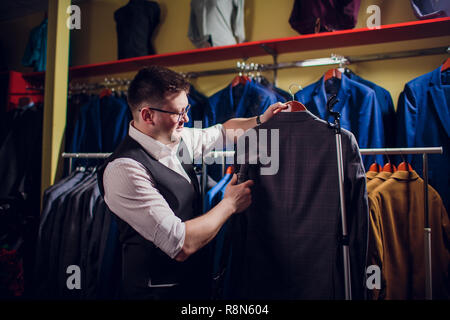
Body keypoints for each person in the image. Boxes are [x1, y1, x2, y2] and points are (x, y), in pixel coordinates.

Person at [97, 65, 286, 300]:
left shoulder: (177, 138)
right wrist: (229, 204)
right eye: (178, 113)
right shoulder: (124, 170)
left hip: (192, 286)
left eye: (186, 109)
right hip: (155, 294)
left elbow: (223, 132)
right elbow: (180, 243)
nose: (186, 118)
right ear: (148, 115)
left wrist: (260, 119)